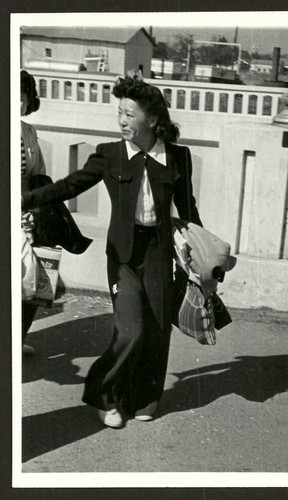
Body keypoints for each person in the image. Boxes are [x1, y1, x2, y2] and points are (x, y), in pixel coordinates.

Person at [22, 75, 202, 427]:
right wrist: (23, 200)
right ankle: (104, 395)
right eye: (119, 113)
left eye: (129, 115)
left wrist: (199, 252)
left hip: (160, 253)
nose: (121, 121)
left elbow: (188, 207)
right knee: (130, 330)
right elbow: (68, 186)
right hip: (123, 256)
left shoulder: (178, 157)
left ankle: (146, 396)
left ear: (152, 120)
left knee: (156, 329)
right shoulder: (109, 154)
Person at [21, 70, 46, 355]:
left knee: (32, 277)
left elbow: (39, 175)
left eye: (22, 98)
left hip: (24, 213)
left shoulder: (29, 132)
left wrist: (34, 210)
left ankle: (18, 337)